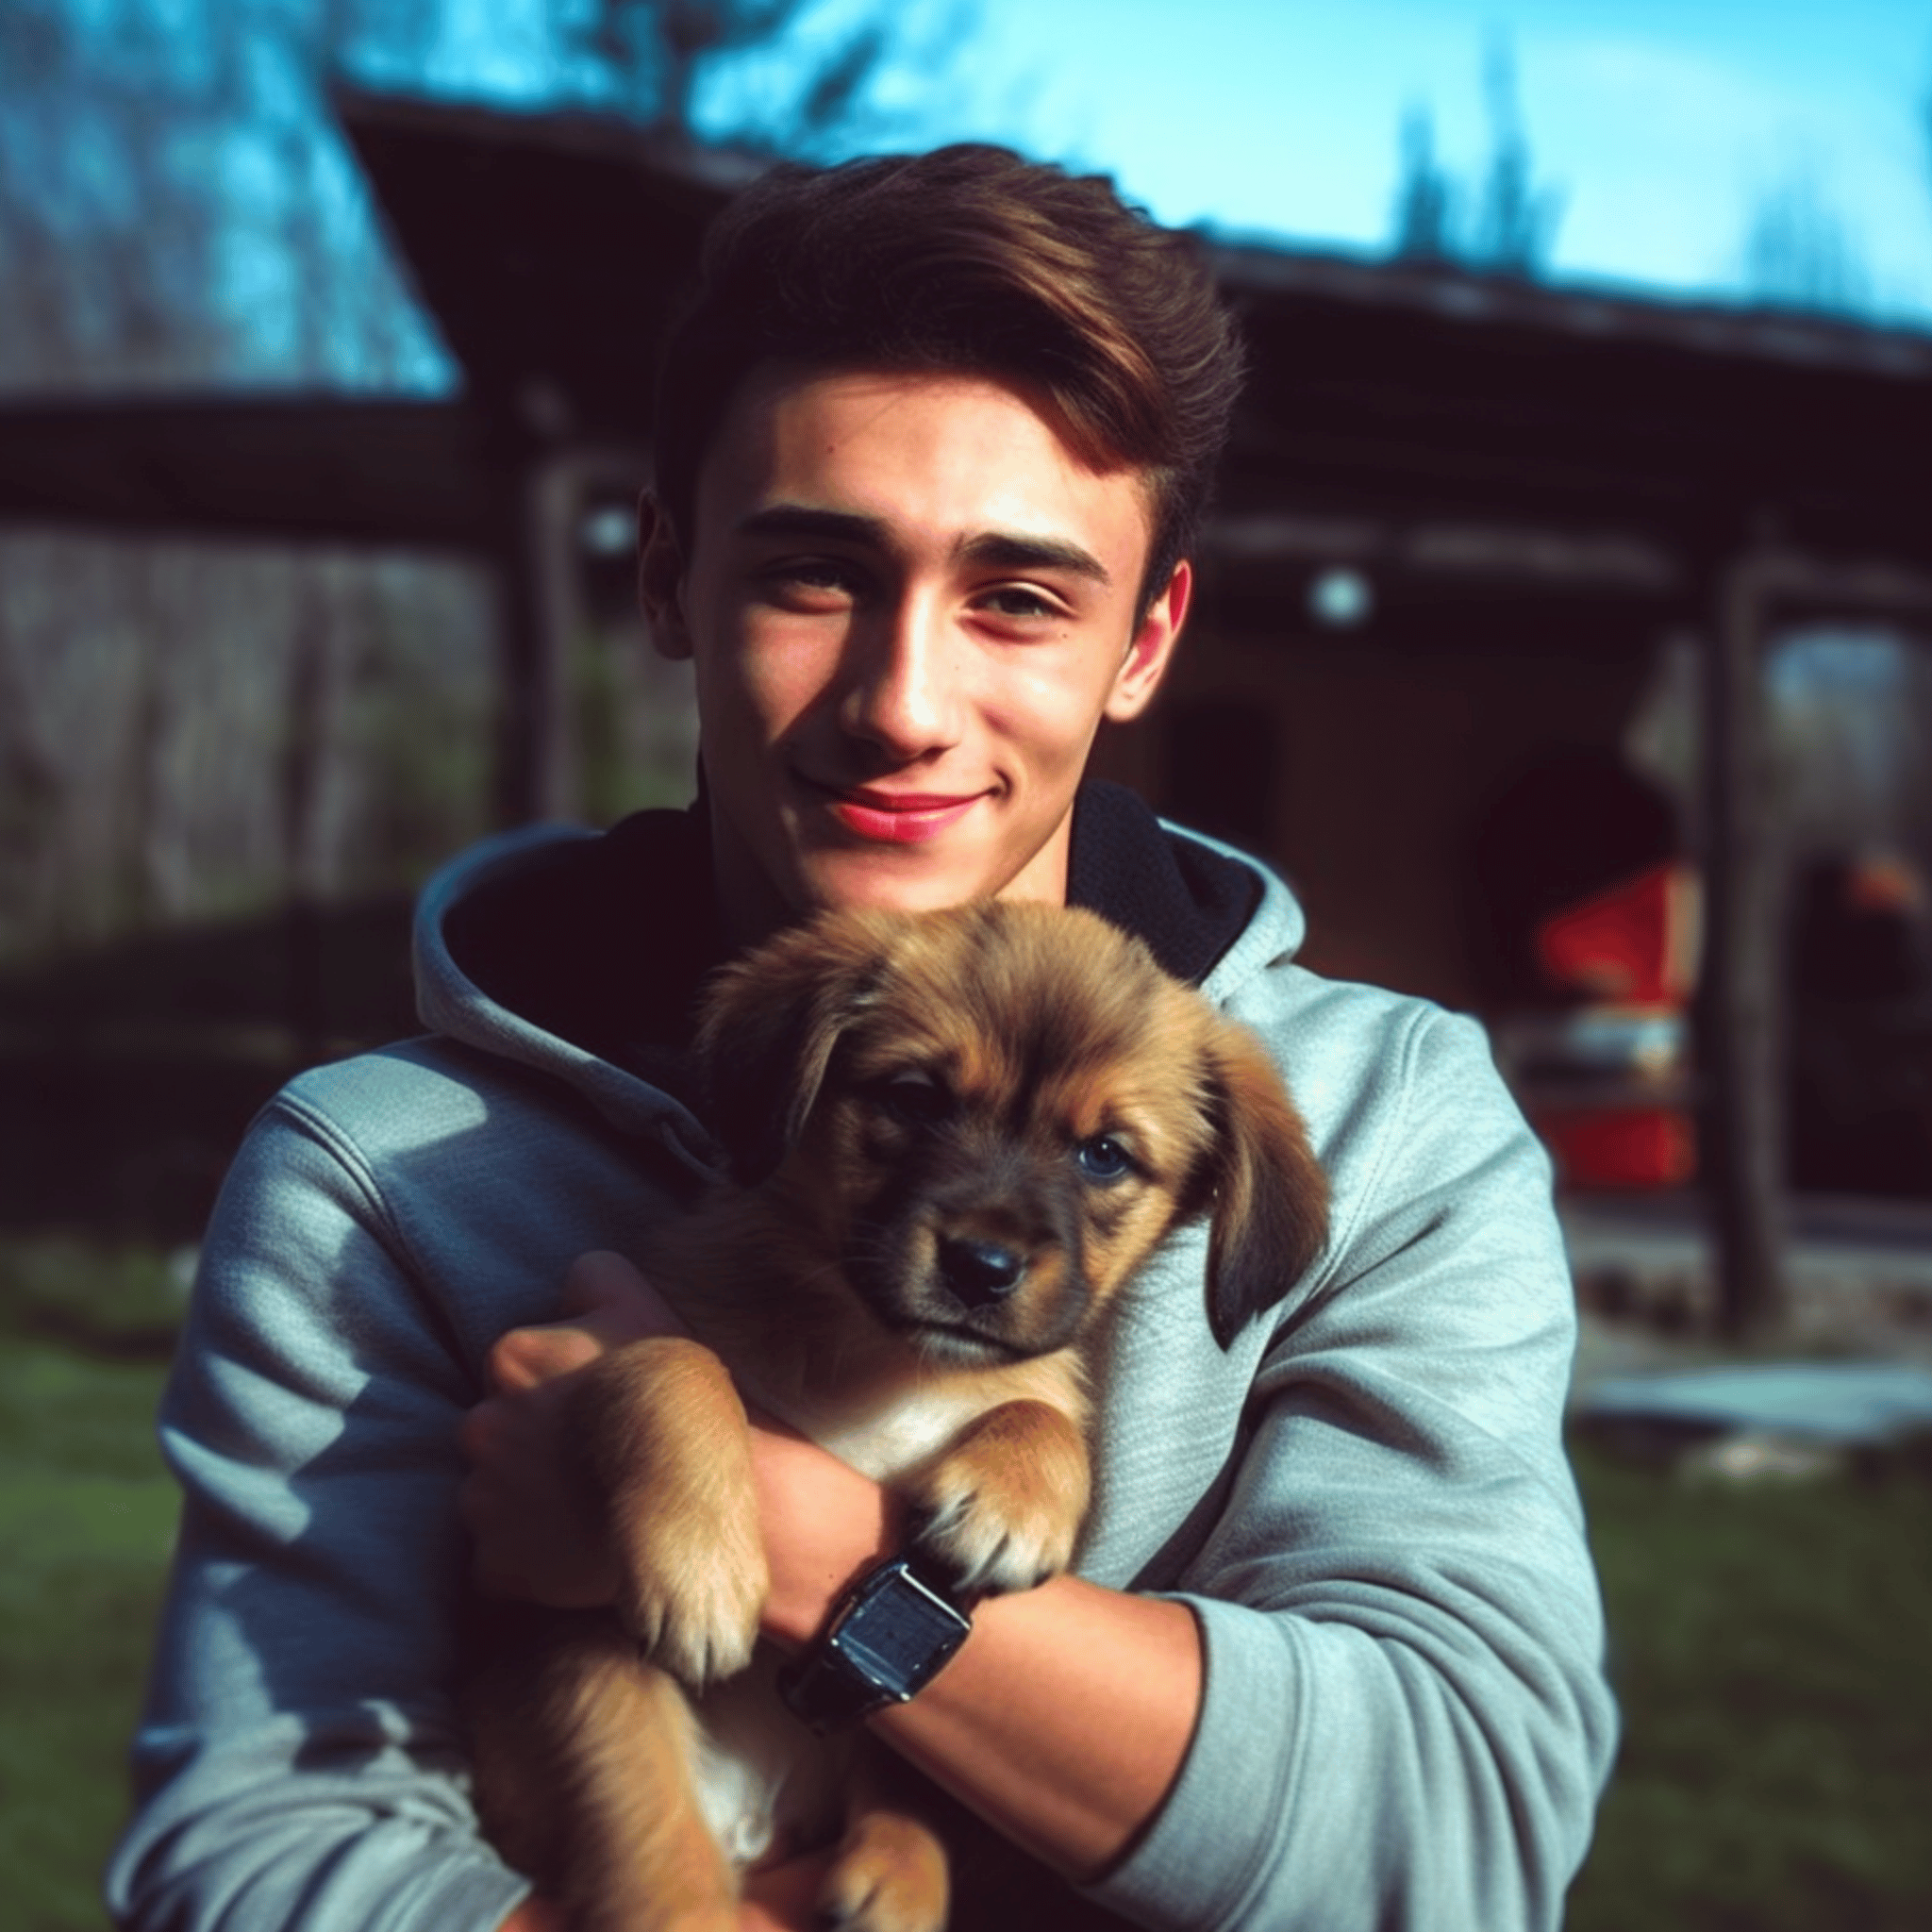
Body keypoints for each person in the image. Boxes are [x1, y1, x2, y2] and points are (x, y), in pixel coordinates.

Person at [106, 143, 1616, 1932]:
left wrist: (809, 1552)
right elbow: (247, 1852)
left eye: (1021, 596)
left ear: (1146, 639)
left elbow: (1460, 1834)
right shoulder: (376, 1178)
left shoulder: (1390, 1126)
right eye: (814, 574)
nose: (904, 705)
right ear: (667, 581)